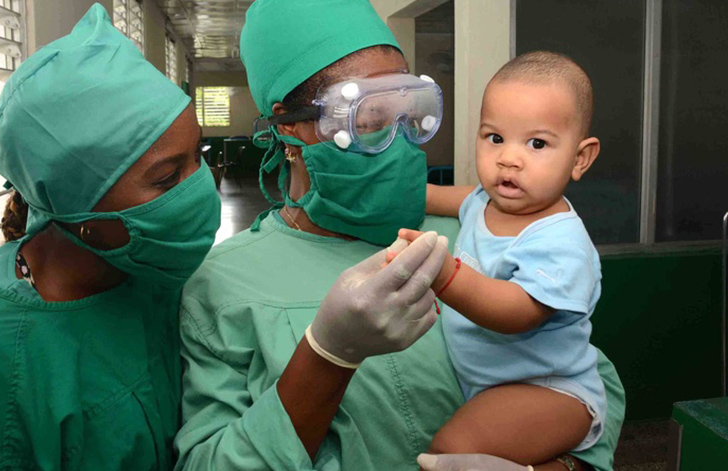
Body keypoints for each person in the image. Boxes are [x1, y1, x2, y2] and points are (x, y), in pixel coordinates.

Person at [174, 1, 625, 471]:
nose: (396, 142)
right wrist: (326, 356)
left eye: (409, 114)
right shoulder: (223, 285)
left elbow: (586, 380)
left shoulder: (471, 236)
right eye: (366, 121)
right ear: (288, 123)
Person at [0, 5, 221, 469]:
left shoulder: (144, 272)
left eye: (196, 157)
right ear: (75, 207)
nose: (201, 187)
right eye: (167, 178)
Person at [395, 51, 606, 468]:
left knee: (450, 451)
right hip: (490, 386)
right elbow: (433, 197)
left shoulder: (561, 240)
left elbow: (516, 312)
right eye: (495, 138)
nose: (509, 158)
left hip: (551, 392)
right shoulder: (482, 201)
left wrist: (444, 275)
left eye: (537, 143)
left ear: (580, 158)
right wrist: (380, 194)